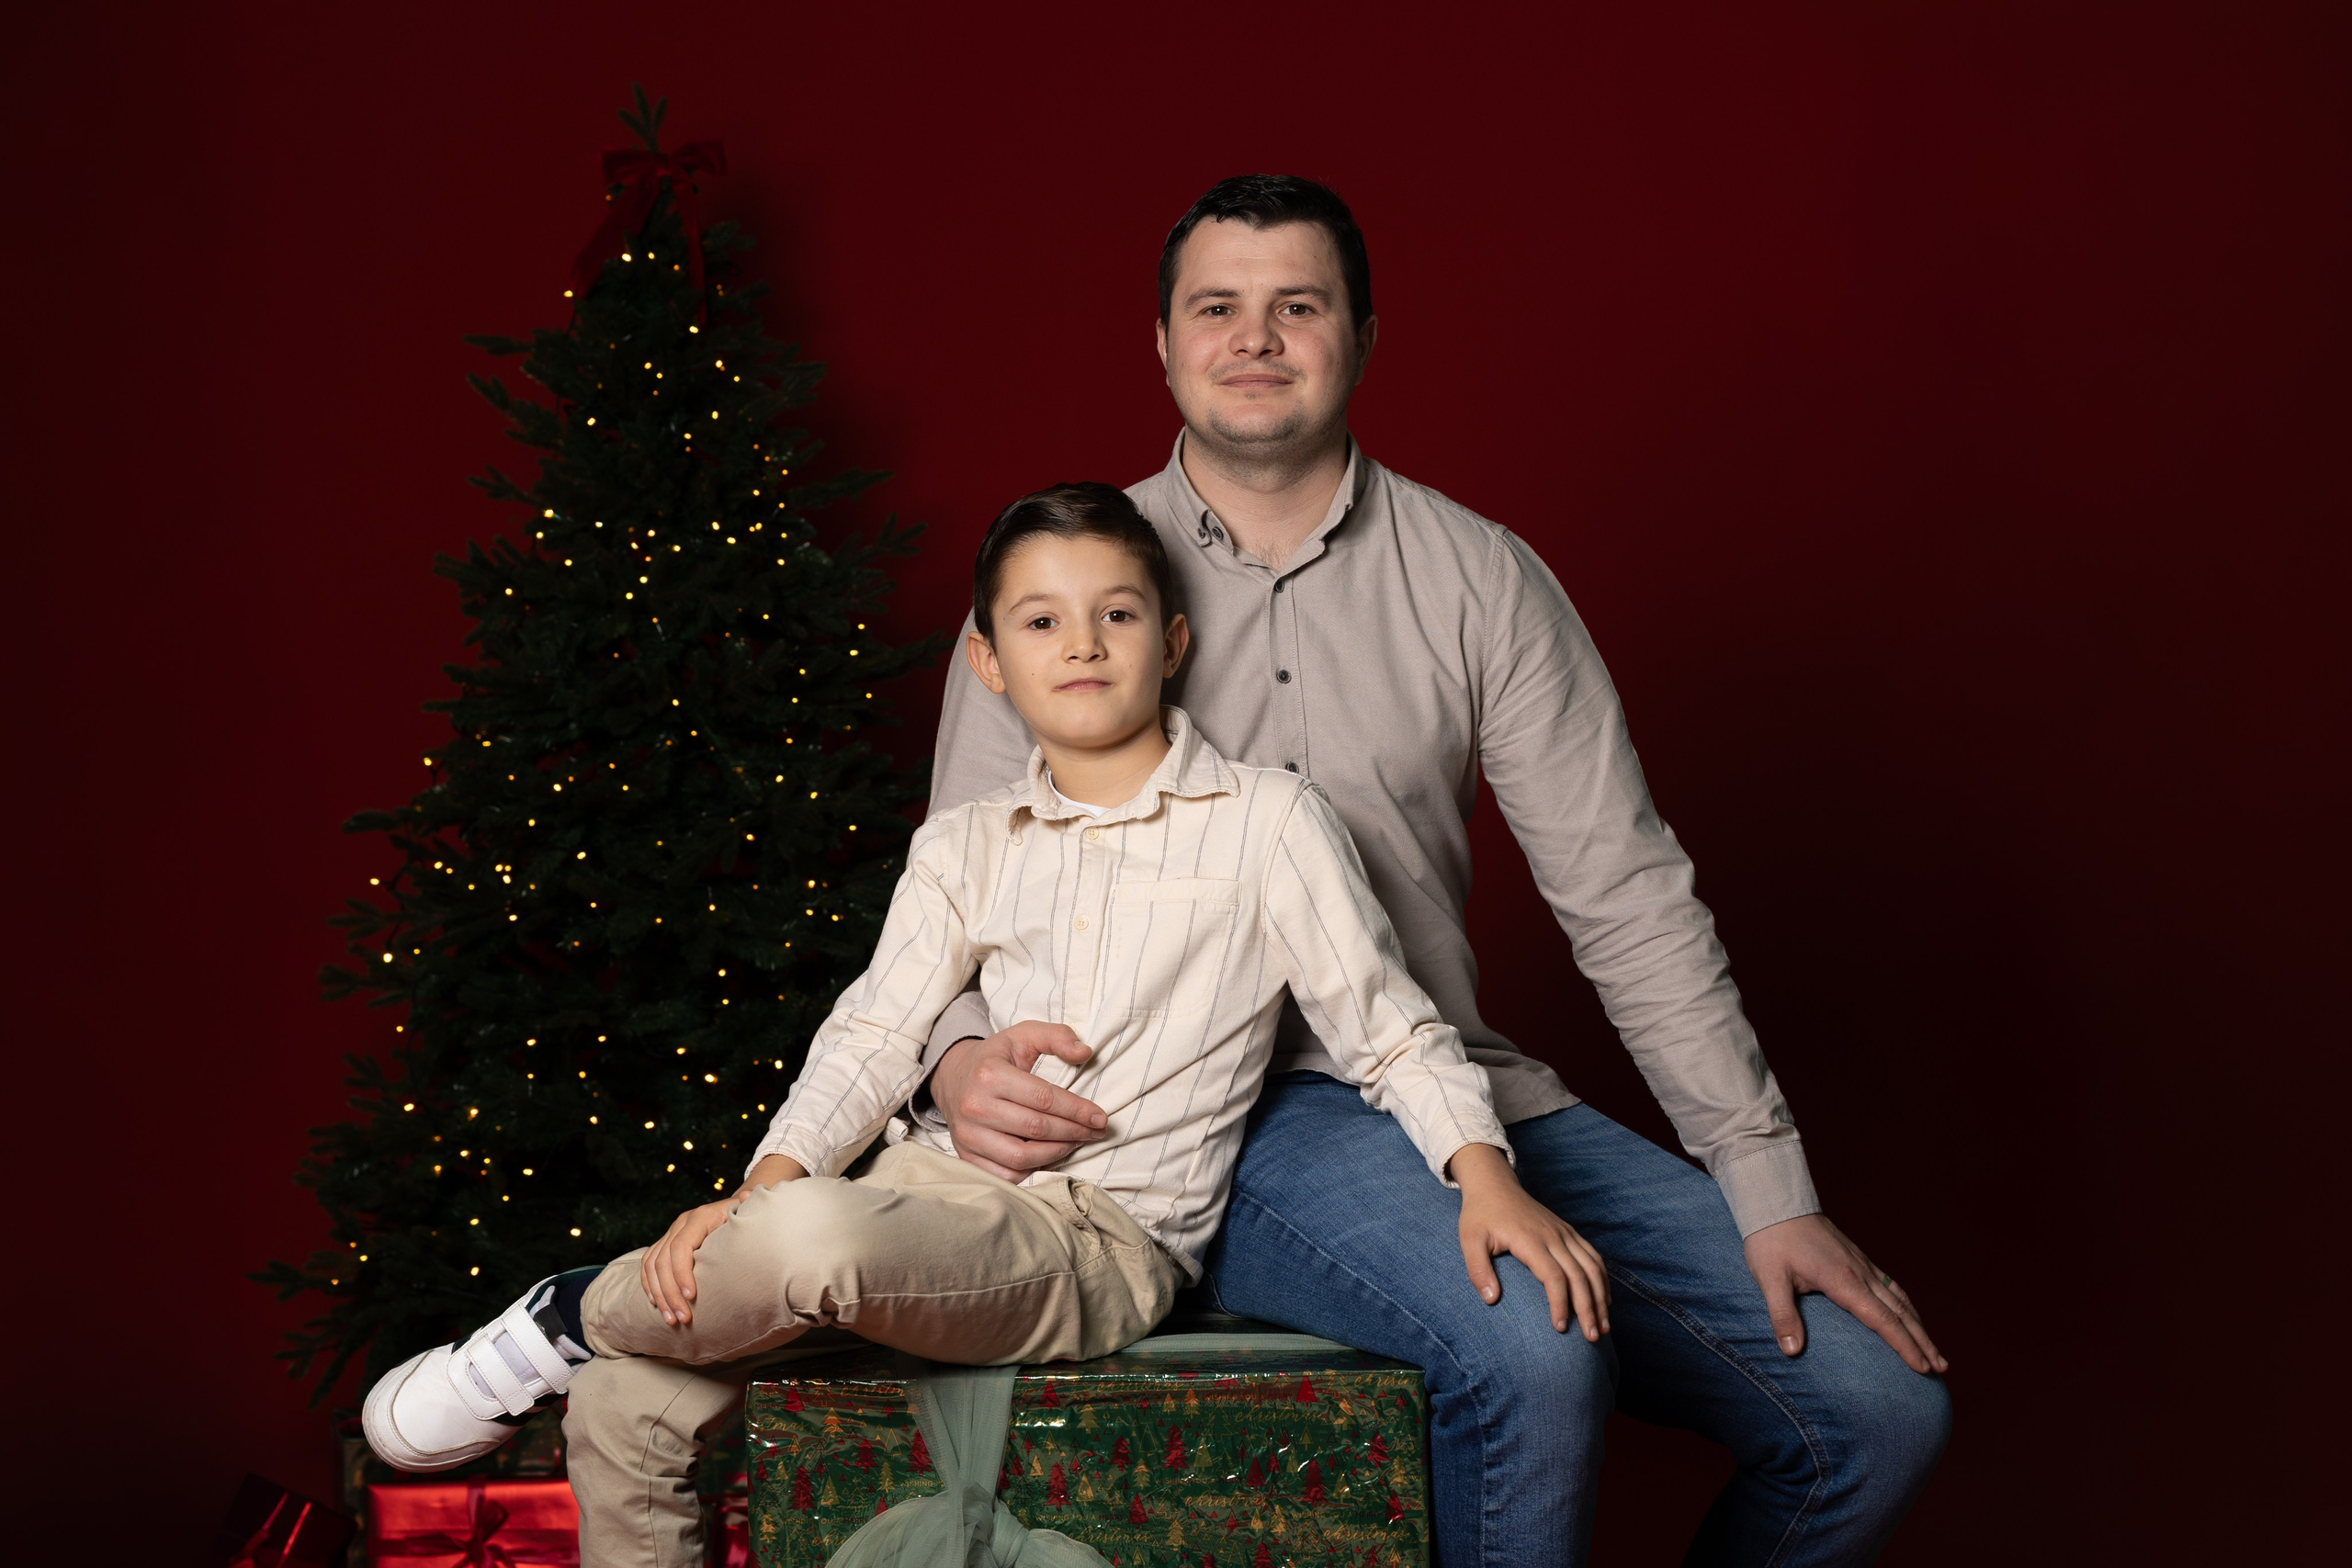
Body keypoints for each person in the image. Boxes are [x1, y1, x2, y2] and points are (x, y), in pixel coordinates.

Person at [917, 176, 1952, 1567]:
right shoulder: (1059, 589)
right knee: (1529, 1348)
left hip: (1455, 1085)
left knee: (1873, 1408)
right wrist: (959, 1057)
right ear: (1163, 345)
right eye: (1217, 309)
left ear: (1363, 334)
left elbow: (1627, 897)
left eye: (1300, 306)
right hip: (1203, 1115)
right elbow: (955, 895)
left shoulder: (1482, 581)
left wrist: (1771, 1186)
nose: (1256, 339)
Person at [361, 483, 1609, 1568]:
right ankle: (608, 1338)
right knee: (629, 1402)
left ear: (1172, 641)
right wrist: (762, 1185)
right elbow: (876, 1029)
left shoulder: (1267, 822)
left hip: (1096, 1243)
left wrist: (1482, 1176)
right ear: (988, 661)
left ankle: (568, 1311)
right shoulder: (964, 846)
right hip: (931, 1199)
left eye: (1117, 614)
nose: (1084, 643)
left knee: (804, 1247)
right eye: (1042, 619)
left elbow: (1387, 1025)